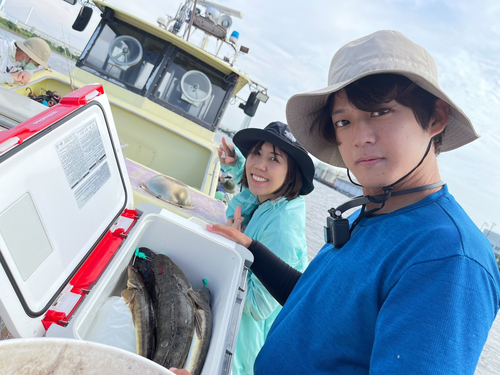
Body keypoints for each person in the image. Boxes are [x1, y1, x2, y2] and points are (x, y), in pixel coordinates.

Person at [196, 30, 500, 375]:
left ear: (435, 118)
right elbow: (319, 307)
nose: (360, 137)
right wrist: (251, 248)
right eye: (344, 121)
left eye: (381, 111)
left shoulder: (448, 256)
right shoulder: (372, 212)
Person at [216, 121, 315, 375]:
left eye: (274, 159)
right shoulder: (273, 200)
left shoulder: (284, 226)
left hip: (243, 349)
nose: (260, 164)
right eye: (256, 153)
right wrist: (239, 163)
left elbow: (258, 306)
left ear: (291, 172)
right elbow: (255, 188)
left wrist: (232, 254)